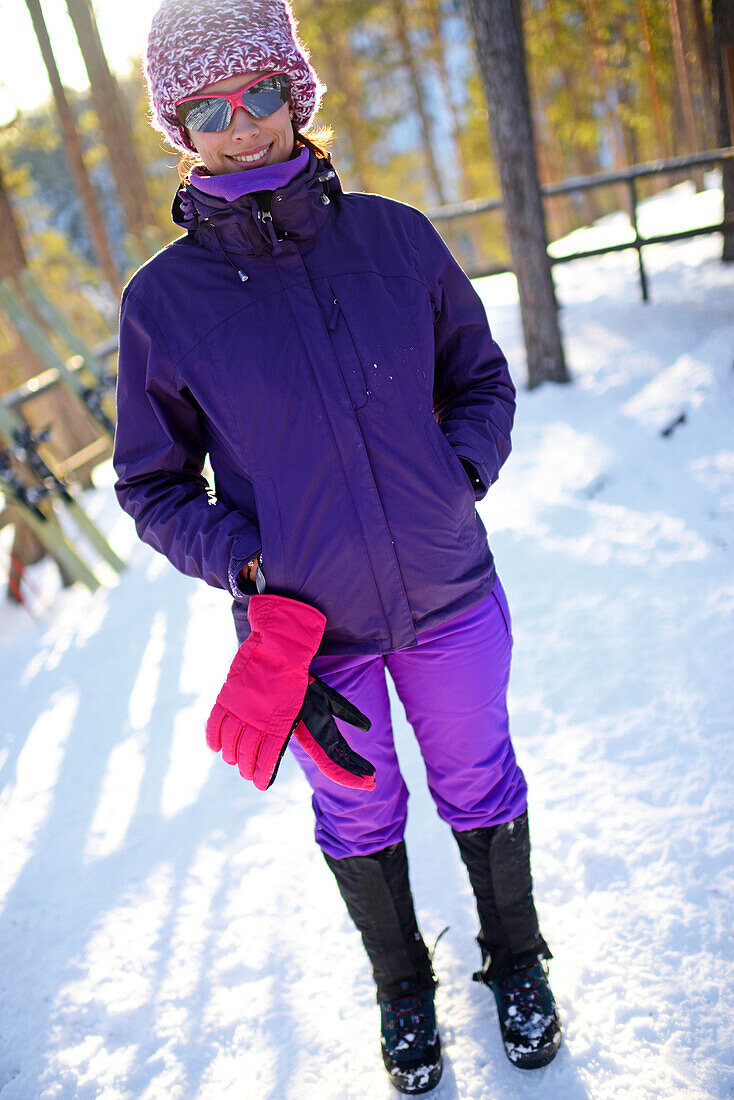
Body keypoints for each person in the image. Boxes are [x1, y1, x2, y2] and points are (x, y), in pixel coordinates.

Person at [114, 0, 562, 1092]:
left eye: (259, 92)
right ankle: (401, 988)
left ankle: (515, 960)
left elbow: (479, 378)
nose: (240, 125)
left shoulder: (394, 236)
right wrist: (247, 560)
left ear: (294, 94)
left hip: (448, 590)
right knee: (355, 805)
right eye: (206, 108)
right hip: (308, 637)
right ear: (181, 126)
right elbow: (152, 480)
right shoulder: (162, 302)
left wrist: (454, 477)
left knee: (478, 777)